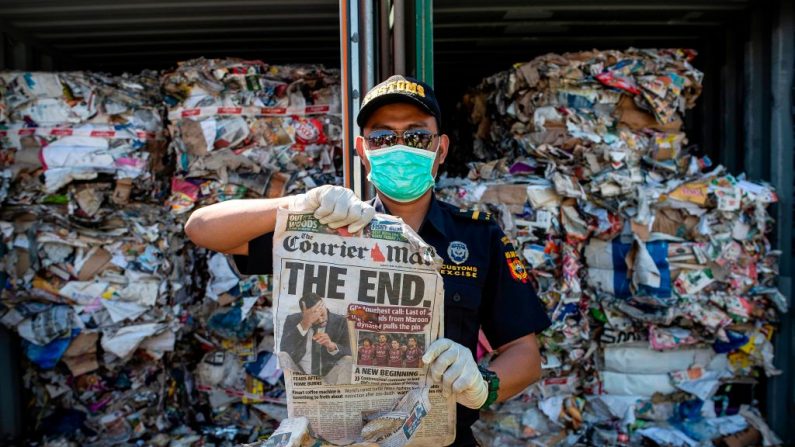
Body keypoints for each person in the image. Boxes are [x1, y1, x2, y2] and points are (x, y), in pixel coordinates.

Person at [185, 74, 551, 446]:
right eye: (382, 137)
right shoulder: (323, 228)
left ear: (440, 150)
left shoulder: (477, 237)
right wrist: (295, 205)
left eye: (416, 136)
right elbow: (202, 228)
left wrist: (482, 385)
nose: (399, 147)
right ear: (362, 151)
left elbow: (525, 354)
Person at [279, 292, 351, 379]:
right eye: (315, 318)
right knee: (282, 355)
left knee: (348, 360)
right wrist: (304, 324)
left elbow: (350, 353)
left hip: (330, 375)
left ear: (324, 305)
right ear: (304, 314)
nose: (320, 320)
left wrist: (332, 346)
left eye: (322, 314)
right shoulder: (293, 320)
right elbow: (285, 351)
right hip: (300, 374)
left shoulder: (341, 322)